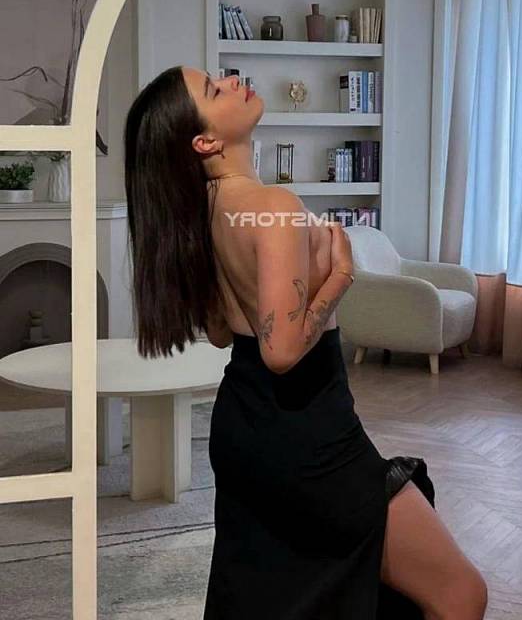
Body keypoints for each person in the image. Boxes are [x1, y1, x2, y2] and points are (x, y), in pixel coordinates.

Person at [123, 65, 488, 620]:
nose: (232, 80)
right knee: (461, 594)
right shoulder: (271, 205)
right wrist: (341, 276)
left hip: (247, 426)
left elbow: (221, 332)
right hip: (304, 430)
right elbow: (283, 351)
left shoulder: (204, 212)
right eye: (215, 90)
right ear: (205, 141)